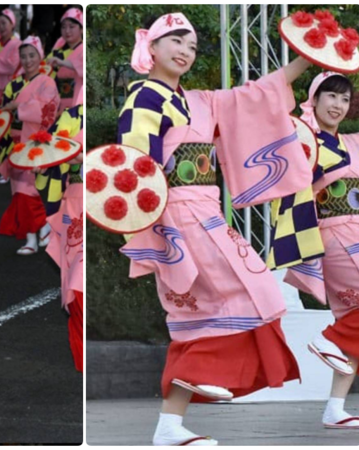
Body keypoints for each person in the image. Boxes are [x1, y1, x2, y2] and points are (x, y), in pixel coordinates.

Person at [109, 12, 317, 445]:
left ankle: (170, 424)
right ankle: (199, 374)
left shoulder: (200, 100)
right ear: (153, 48)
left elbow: (256, 96)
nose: (185, 51)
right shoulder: (145, 98)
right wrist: (157, 229)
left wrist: (305, 59)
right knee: (251, 290)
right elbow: (136, 171)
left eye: (192, 46)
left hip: (207, 212)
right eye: (176, 42)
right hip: (178, 214)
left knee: (205, 312)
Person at [283, 72, 359, 430]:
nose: (337, 105)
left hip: (356, 234)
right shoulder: (303, 140)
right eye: (330, 96)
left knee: (355, 326)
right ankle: (324, 339)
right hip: (335, 236)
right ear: (313, 99)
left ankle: (335, 408)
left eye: (344, 99)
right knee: (350, 328)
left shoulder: (354, 141)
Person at [0, 36, 60, 255]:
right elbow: (3, 110)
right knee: (19, 191)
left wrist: (18, 107)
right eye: (23, 56)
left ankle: (42, 226)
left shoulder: (47, 81)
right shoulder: (14, 83)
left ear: (40, 56)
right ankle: (32, 236)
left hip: (37, 141)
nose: (27, 60)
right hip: (16, 142)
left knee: (31, 190)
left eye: (32, 55)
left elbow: (47, 109)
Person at [40, 88, 84, 371]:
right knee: (76, 280)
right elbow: (52, 155)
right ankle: (81, 356)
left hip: (108, 201)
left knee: (80, 278)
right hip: (76, 203)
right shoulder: (70, 117)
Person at [0, 9, 22, 184]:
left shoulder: (17, 44)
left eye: (4, 23)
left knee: (8, 133)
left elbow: (13, 65)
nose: (1, 27)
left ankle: (8, 169)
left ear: (12, 24)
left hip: (11, 93)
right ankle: (3, 168)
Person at [46, 8, 83, 113]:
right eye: (63, 27)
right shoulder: (57, 52)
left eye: (72, 27)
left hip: (77, 99)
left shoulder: (84, 49)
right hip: (57, 101)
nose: (67, 31)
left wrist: (62, 63)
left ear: (81, 29)